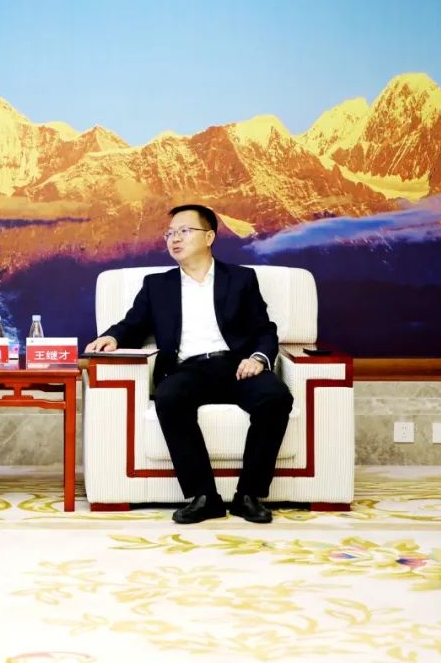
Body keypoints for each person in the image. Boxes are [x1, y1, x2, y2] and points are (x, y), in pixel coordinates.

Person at [85, 204, 293, 524]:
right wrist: (112, 337)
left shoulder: (240, 279)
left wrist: (258, 359)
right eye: (170, 233)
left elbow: (264, 330)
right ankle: (204, 496)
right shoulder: (158, 285)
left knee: (275, 397)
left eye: (184, 231)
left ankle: (248, 496)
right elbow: (132, 325)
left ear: (209, 237)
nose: (175, 239)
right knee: (169, 397)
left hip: (237, 365)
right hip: (188, 369)